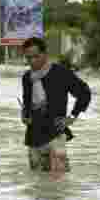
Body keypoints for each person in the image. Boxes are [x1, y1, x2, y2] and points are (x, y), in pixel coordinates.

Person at [20, 36, 92, 173]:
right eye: (28, 58)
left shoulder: (60, 73)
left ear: (45, 54)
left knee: (60, 183)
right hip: (33, 137)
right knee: (37, 184)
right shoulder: (27, 78)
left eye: (36, 57)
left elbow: (84, 93)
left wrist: (72, 116)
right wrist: (25, 116)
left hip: (55, 135)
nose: (32, 61)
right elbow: (27, 103)